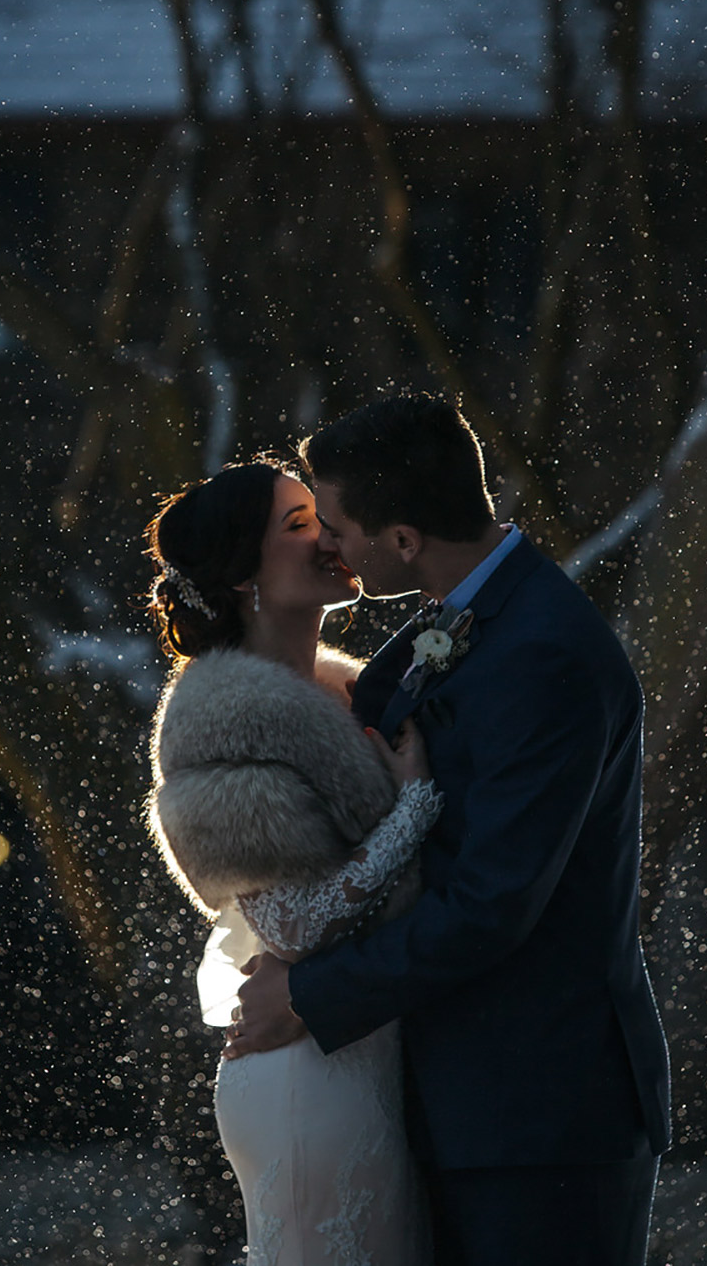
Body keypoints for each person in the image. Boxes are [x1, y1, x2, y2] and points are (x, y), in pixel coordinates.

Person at [228, 395, 672, 1266]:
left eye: (341, 527)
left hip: (539, 1113)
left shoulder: (544, 652)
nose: (330, 546)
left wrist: (312, 996)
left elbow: (491, 904)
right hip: (459, 1096)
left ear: (402, 540)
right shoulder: (465, 613)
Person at [145, 459, 438, 1265]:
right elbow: (293, 925)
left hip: (368, 1061)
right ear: (244, 576)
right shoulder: (220, 723)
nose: (330, 537)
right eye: (298, 525)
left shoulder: (350, 698)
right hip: (307, 1078)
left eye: (324, 518)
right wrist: (412, 811)